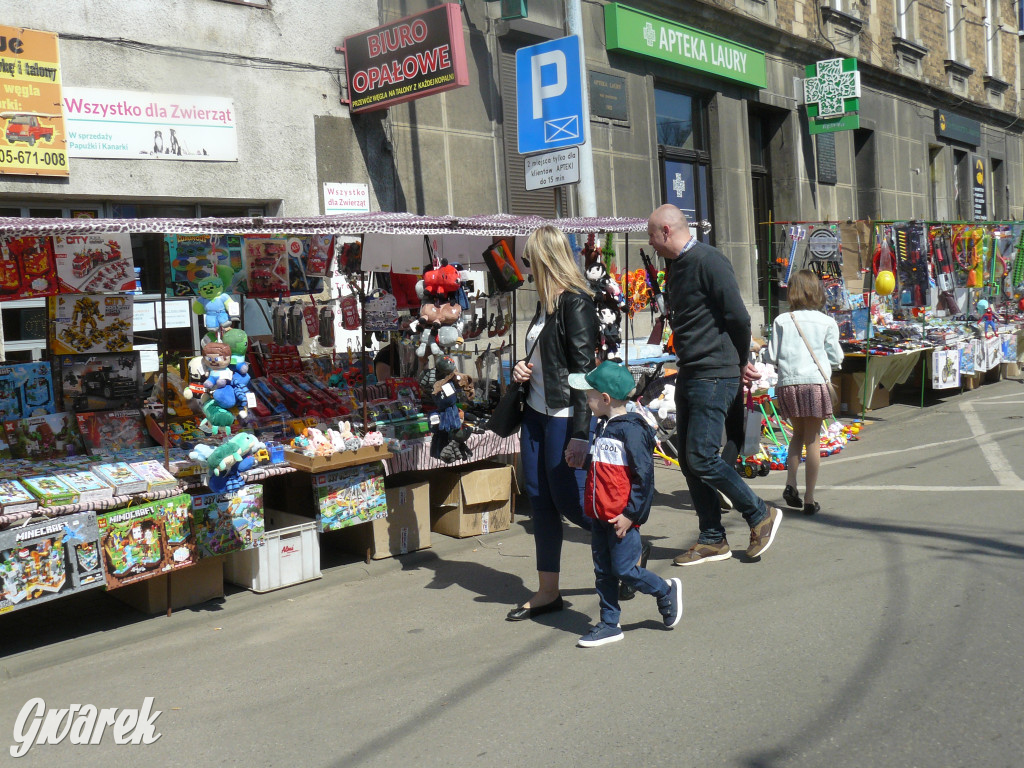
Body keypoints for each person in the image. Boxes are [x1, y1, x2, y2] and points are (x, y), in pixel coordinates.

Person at [647, 204, 783, 565]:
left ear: (665, 230)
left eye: (651, 235)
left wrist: (740, 361)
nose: (650, 243)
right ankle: (712, 537)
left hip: (715, 371)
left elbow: (737, 316)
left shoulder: (709, 260)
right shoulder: (675, 267)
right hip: (691, 370)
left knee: (703, 456)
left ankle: (759, 514)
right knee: (690, 463)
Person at [506, 225, 598, 621]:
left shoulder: (576, 304)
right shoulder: (546, 306)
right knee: (540, 502)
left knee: (572, 504)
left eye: (529, 259)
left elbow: (581, 375)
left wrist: (580, 433)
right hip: (536, 416)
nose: (527, 268)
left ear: (546, 259)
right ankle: (548, 592)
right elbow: (547, 360)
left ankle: (625, 548)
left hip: (563, 418)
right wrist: (521, 370)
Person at [569, 361, 683, 647]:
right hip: (599, 516)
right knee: (603, 572)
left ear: (605, 399)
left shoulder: (631, 430)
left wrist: (631, 515)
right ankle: (609, 623)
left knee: (625, 571)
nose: (586, 399)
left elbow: (644, 477)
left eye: (589, 394)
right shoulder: (602, 424)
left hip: (621, 518)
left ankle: (664, 590)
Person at [765, 270, 844, 515]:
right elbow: (837, 357)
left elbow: (770, 356)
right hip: (815, 383)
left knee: (796, 435)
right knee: (812, 440)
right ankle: (809, 499)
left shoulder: (781, 320)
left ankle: (790, 483)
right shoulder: (826, 321)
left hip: (789, 384)